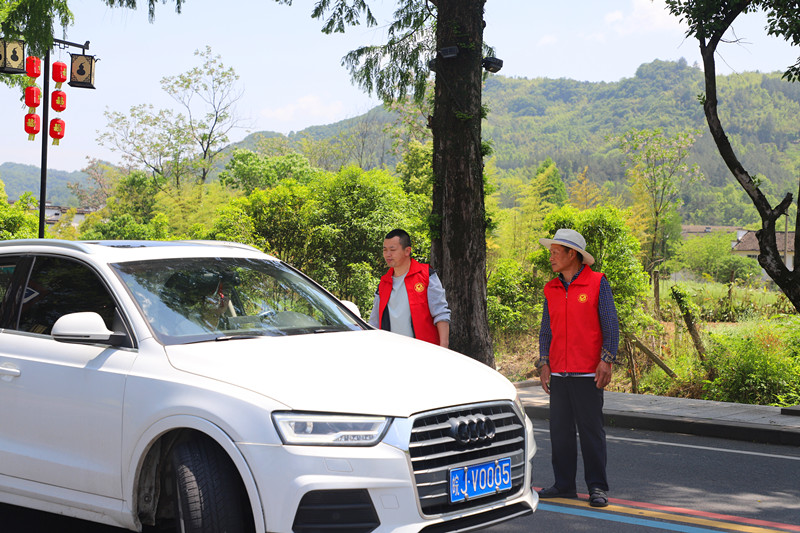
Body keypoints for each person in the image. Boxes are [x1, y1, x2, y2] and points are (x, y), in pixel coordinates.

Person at [536, 228, 619, 508]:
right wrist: (544, 362)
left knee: (591, 432)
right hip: (559, 372)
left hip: (588, 373)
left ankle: (597, 487)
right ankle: (564, 484)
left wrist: (607, 359)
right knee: (560, 433)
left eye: (555, 252)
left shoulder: (597, 283)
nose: (551, 257)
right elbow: (546, 330)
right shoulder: (551, 288)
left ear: (572, 254)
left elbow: (610, 325)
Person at [368, 229, 451, 348]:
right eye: (385, 250)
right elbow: (374, 321)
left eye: (392, 250)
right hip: (391, 350)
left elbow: (440, 313)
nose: (387, 254)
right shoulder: (383, 283)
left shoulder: (427, 275)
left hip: (425, 350)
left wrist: (444, 347)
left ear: (407, 251)